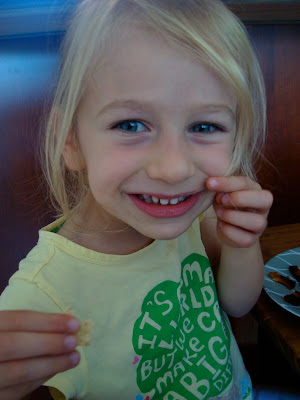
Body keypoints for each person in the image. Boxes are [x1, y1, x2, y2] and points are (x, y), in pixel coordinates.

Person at [0, 0, 275, 399]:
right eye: (130, 124)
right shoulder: (41, 299)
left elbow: (237, 304)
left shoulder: (194, 219)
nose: (174, 169)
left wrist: (240, 246)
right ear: (72, 140)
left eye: (204, 125)